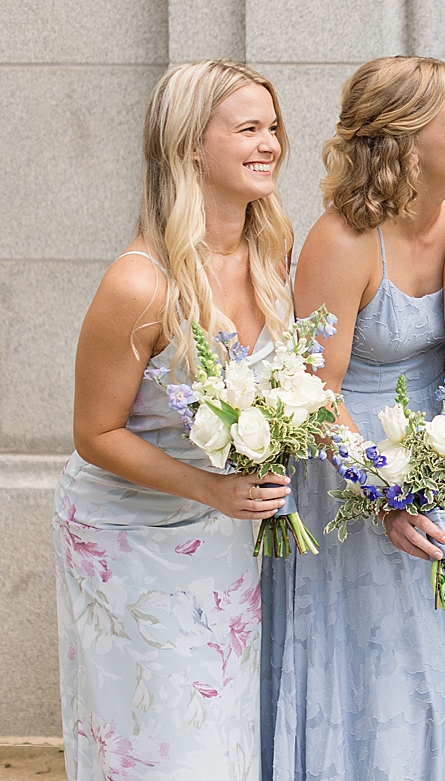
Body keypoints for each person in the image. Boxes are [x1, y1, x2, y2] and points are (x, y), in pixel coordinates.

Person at [56, 60, 294, 780]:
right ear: (192, 144)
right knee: (160, 746)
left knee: (220, 732)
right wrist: (210, 490)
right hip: (132, 540)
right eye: (248, 128)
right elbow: (94, 434)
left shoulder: (271, 251)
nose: (271, 144)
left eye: (273, 126)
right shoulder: (139, 283)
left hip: (225, 537)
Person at [260, 56, 445, 780]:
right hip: (352, 464)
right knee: (378, 659)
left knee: (437, 655)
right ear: (403, 142)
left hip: (435, 448)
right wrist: (384, 495)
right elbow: (317, 390)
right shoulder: (345, 241)